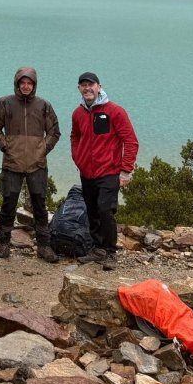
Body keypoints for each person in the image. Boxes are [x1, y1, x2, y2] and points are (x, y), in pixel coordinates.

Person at [71, 71, 139, 271]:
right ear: (79, 89)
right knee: (92, 210)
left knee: (105, 210)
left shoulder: (115, 111)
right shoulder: (78, 113)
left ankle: (110, 252)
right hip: (87, 173)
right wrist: (78, 158)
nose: (87, 88)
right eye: (83, 85)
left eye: (91, 85)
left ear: (99, 87)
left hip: (109, 171)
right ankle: (98, 249)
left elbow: (131, 141)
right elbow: (74, 136)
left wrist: (126, 170)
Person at [0, 67, 61, 263]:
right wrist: (5, 146)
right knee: (8, 203)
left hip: (37, 164)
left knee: (39, 204)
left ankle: (44, 246)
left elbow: (54, 132)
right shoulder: (4, 103)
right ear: (17, 83)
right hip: (12, 162)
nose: (25, 86)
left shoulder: (43, 106)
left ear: (34, 85)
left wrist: (41, 149)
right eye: (22, 82)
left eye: (29, 83)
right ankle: (3, 243)